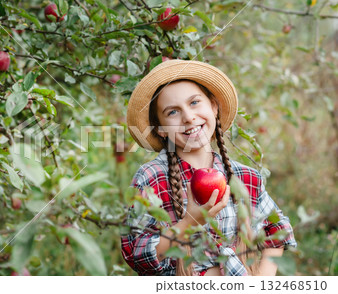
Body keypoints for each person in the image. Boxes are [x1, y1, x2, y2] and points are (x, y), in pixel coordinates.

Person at [121, 60, 297, 276]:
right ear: (161, 130)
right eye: (172, 112)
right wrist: (189, 222)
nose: (188, 117)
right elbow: (137, 256)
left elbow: (277, 230)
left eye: (194, 103)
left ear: (214, 107)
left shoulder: (244, 176)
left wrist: (261, 280)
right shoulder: (152, 178)